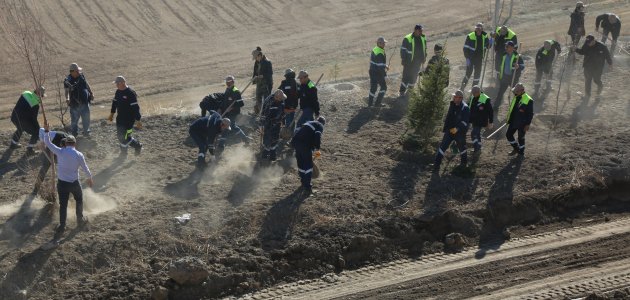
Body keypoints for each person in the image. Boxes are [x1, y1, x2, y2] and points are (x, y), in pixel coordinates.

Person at [39, 124, 94, 240]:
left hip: (62, 184)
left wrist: (47, 131)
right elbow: (85, 168)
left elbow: (48, 143)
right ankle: (80, 220)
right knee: (79, 200)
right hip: (74, 183)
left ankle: (62, 225)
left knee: (63, 205)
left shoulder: (60, 152)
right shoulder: (79, 154)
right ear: (74, 143)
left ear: (66, 143)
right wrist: (90, 178)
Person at [433, 90, 470, 171]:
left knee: (462, 148)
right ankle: (436, 165)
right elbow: (449, 117)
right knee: (442, 147)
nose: (453, 97)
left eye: (455, 96)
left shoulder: (465, 108)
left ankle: (463, 165)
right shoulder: (452, 104)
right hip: (449, 131)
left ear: (460, 98)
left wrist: (457, 129)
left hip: (459, 133)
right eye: (454, 96)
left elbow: (465, 122)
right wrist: (446, 128)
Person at [108, 76, 143, 157]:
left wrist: (138, 120)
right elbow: (114, 102)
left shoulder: (130, 93)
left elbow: (135, 107)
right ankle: (124, 152)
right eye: (116, 83)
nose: (116, 85)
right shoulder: (118, 91)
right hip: (120, 118)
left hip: (129, 119)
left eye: (117, 83)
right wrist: (112, 114)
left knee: (126, 136)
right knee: (120, 136)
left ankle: (137, 146)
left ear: (123, 82)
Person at [291, 116, 325, 196]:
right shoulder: (319, 125)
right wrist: (317, 148)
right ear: (323, 123)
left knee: (301, 164)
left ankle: (303, 183)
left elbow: (300, 133)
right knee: (309, 166)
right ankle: (308, 187)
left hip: (295, 143)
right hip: (304, 146)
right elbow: (317, 136)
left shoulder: (308, 123)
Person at [9, 86, 45, 155]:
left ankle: (13, 144)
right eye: (42, 95)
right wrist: (38, 128)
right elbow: (33, 118)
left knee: (20, 128)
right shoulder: (35, 104)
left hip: (14, 117)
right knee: (36, 132)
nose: (42, 97)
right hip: (23, 121)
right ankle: (30, 150)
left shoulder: (25, 93)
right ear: (39, 94)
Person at [218, 75, 250, 144]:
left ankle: (244, 138)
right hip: (226, 112)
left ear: (232, 82)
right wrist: (220, 108)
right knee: (227, 125)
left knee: (231, 125)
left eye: (229, 82)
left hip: (233, 113)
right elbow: (224, 101)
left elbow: (241, 104)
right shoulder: (227, 89)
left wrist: (232, 108)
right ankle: (244, 138)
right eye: (226, 82)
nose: (227, 83)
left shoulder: (236, 91)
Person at [64, 63, 94, 137]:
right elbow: (66, 91)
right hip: (74, 104)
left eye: (78, 70)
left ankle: (86, 132)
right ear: (72, 71)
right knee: (74, 120)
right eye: (77, 71)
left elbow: (86, 84)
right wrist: (67, 98)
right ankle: (74, 135)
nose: (78, 72)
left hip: (85, 102)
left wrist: (91, 93)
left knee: (86, 118)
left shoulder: (81, 75)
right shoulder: (67, 80)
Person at [505, 83, 534, 156]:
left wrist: (527, 124)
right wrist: (509, 118)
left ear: (522, 90)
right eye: (514, 91)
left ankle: (521, 152)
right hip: (513, 120)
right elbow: (512, 108)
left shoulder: (529, 100)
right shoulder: (516, 96)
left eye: (516, 91)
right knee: (508, 135)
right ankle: (516, 148)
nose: (515, 93)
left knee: (521, 138)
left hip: (522, 123)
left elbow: (530, 114)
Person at [399, 24, 427, 96]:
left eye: (422, 31)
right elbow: (403, 49)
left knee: (414, 77)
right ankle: (402, 91)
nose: (421, 32)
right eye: (420, 31)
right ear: (415, 30)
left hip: (417, 62)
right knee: (406, 77)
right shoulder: (408, 38)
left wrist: (424, 57)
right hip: (408, 61)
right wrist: (403, 59)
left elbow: (424, 48)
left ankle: (410, 91)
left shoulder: (423, 38)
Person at [495, 41, 524, 108]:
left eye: (507, 46)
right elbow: (501, 65)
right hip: (504, 77)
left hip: (513, 78)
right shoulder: (504, 55)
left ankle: (519, 107)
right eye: (506, 46)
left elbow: (523, 66)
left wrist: (518, 66)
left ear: (511, 48)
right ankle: (496, 106)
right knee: (500, 93)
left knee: (517, 93)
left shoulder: (517, 56)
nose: (506, 47)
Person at [461, 23, 490, 91]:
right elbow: (465, 48)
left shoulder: (485, 36)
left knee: (477, 75)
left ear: (482, 29)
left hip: (479, 59)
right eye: (477, 29)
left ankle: (473, 90)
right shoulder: (470, 36)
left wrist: (491, 41)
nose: (478, 30)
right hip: (471, 58)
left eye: (479, 29)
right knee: (468, 74)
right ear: (475, 29)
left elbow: (488, 46)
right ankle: (462, 88)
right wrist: (467, 58)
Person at [260, 90, 286, 161]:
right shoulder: (268, 103)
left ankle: (273, 154)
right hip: (268, 124)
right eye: (280, 98)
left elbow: (283, 113)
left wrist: (283, 122)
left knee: (275, 138)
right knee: (267, 139)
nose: (282, 100)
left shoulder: (281, 102)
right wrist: (261, 125)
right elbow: (263, 115)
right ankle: (265, 155)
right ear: (276, 97)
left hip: (277, 123)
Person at [468, 85, 493, 152]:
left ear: (478, 92)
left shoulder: (486, 99)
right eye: (472, 93)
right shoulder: (473, 97)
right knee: (478, 134)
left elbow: (490, 111)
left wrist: (491, 122)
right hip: (474, 120)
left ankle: (476, 148)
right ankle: (478, 147)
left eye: (473, 93)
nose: (472, 94)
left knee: (473, 133)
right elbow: (470, 107)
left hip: (481, 121)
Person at [252, 47, 273, 115]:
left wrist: (263, 76)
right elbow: (255, 72)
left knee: (266, 99)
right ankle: (257, 113)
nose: (255, 59)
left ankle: (266, 114)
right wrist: (254, 79)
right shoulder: (257, 62)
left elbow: (270, 73)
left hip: (266, 84)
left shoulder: (267, 62)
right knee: (258, 98)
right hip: (259, 83)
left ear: (260, 55)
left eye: (256, 57)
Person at [369, 36, 388, 107]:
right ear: (379, 43)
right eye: (383, 43)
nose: (384, 44)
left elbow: (377, 62)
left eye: (384, 43)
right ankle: (377, 103)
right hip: (378, 73)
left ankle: (370, 105)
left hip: (372, 71)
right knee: (384, 87)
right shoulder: (380, 52)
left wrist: (385, 65)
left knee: (373, 88)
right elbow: (380, 66)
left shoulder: (375, 49)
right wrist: (385, 75)